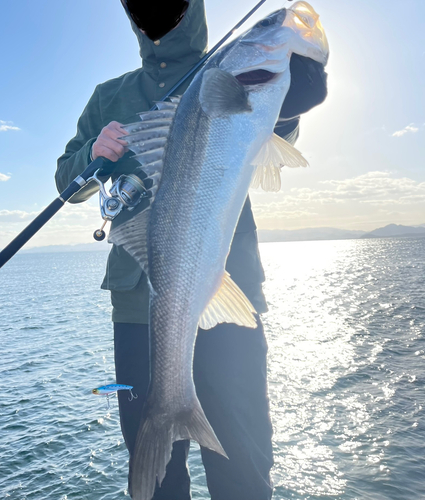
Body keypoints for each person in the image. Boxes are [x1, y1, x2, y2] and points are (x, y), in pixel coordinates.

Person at [56, 1, 327, 499]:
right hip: (137, 306)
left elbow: (266, 134)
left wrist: (288, 110)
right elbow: (67, 185)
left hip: (230, 292)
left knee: (243, 461)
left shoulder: (225, 66)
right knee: (157, 477)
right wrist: (92, 153)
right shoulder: (107, 95)